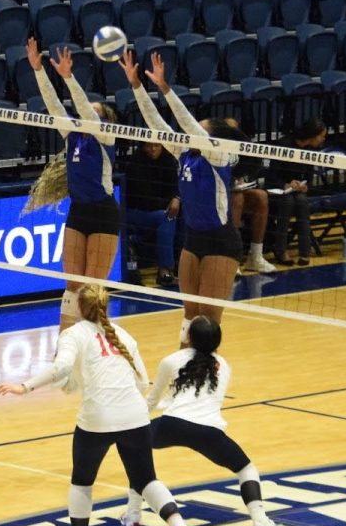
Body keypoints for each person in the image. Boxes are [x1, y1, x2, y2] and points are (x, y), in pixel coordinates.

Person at [0, 284, 202, 526]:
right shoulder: (124, 335)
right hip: (134, 415)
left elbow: (62, 368)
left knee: (82, 480)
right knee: (146, 479)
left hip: (98, 417)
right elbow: (142, 382)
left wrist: (24, 386)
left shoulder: (72, 334)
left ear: (79, 307)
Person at [117, 315, 289, 526]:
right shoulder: (225, 366)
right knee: (247, 470)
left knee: (137, 454)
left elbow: (153, 403)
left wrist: (128, 423)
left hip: (172, 423)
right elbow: (192, 398)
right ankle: (261, 523)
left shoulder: (171, 360)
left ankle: (133, 514)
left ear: (188, 337)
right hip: (209, 431)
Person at [122, 52, 243, 332]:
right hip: (194, 239)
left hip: (221, 242)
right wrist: (136, 85)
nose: (190, 134)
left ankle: (208, 374)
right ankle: (183, 373)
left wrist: (165, 88)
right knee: (189, 318)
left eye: (200, 131)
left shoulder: (219, 157)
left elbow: (187, 123)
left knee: (209, 322)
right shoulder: (184, 154)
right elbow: (156, 124)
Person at [24, 38, 119, 331]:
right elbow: (54, 107)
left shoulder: (106, 138)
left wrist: (69, 77)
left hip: (103, 212)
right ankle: (65, 344)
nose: (83, 115)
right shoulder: (73, 136)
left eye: (93, 113)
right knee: (72, 286)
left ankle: (98, 344)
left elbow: (87, 113)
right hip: (78, 211)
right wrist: (39, 71)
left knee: (93, 288)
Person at [267, 118, 327, 266]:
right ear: (313, 134)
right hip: (278, 191)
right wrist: (285, 184)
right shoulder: (284, 145)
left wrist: (305, 186)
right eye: (322, 135)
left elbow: (309, 178)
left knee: (301, 200)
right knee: (287, 201)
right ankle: (281, 250)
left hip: (296, 192)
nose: (324, 139)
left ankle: (305, 252)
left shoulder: (311, 151)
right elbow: (271, 177)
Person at [123, 141, 179, 287]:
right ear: (142, 146)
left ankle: (170, 269)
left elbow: (176, 188)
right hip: (135, 212)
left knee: (173, 217)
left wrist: (176, 198)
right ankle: (164, 269)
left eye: (156, 145)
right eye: (149, 145)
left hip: (159, 213)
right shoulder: (135, 163)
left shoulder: (169, 161)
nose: (152, 149)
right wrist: (166, 203)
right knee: (167, 216)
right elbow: (143, 198)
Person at [230, 156, 276, 274]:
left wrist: (241, 179)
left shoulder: (241, 139)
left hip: (235, 187)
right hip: (213, 191)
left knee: (261, 196)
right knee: (237, 199)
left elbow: (251, 167)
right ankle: (231, 258)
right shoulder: (210, 143)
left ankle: (255, 256)